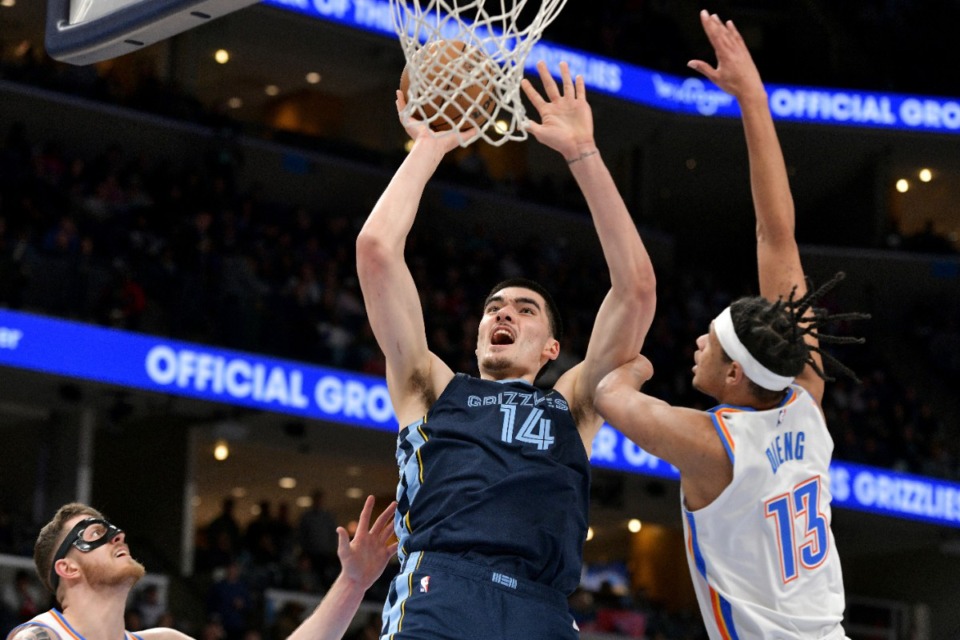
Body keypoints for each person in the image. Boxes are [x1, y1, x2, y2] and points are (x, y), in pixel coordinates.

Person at [356, 59, 657, 639]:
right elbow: (375, 250)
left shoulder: (572, 402)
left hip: (541, 610)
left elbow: (637, 289)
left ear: (551, 348)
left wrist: (582, 154)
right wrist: (430, 145)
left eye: (524, 310)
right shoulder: (432, 387)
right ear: (477, 333)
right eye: (495, 307)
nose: (503, 313)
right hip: (441, 590)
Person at [594, 11, 868, 639]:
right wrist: (752, 99)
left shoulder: (714, 442)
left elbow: (608, 392)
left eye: (710, 342)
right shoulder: (805, 399)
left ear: (736, 373)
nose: (697, 342)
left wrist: (634, 368)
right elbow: (777, 236)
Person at [5, 496, 397, 640]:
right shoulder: (41, 637)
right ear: (67, 569)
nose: (117, 536)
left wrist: (353, 583)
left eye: (113, 529)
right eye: (95, 533)